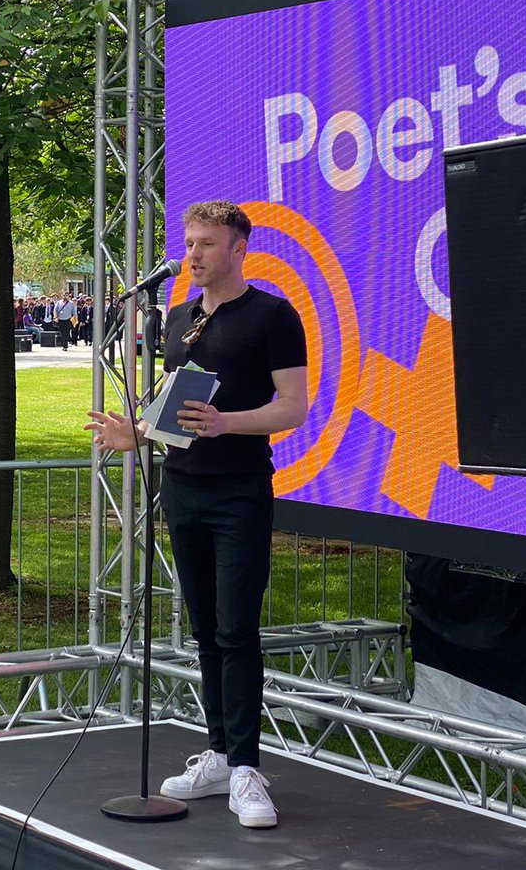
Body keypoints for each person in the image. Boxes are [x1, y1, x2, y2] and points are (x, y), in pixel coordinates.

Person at [86, 200, 307, 829]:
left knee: (238, 628)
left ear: (240, 248)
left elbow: (292, 408)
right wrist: (139, 432)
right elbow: (175, 410)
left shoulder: (272, 315)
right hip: (182, 488)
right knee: (205, 626)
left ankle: (246, 768)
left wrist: (226, 424)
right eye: (189, 242)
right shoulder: (179, 318)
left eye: (207, 243)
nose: (194, 254)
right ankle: (217, 751)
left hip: (239, 491)